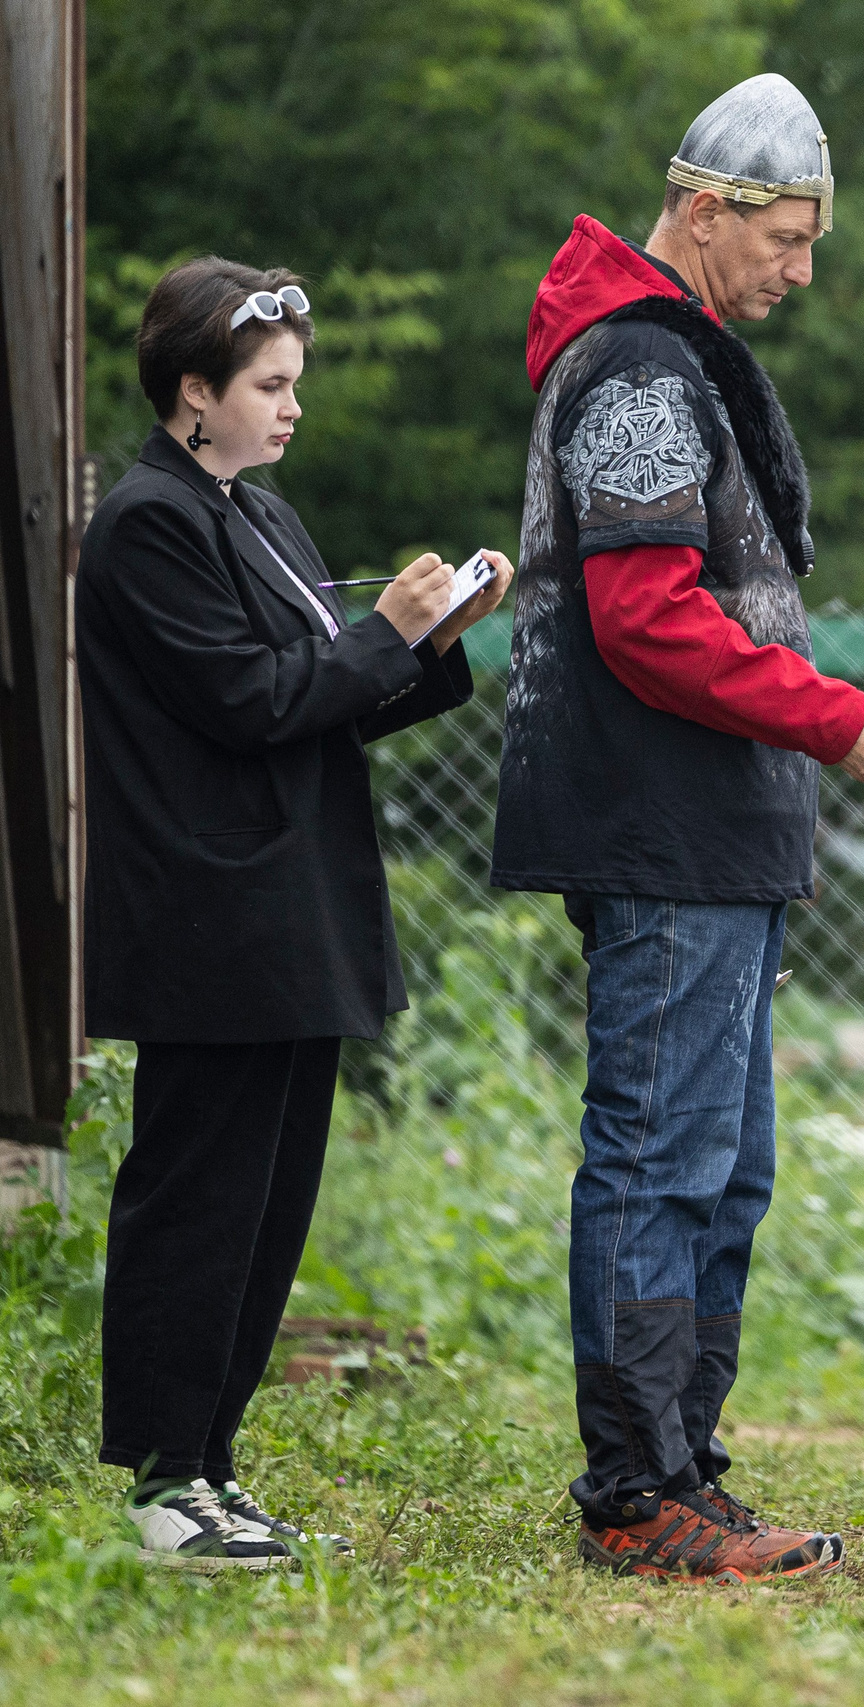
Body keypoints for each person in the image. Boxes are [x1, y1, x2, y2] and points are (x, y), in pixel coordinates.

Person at [493, 71, 864, 1582]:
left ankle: (686, 1465)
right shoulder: (635, 369)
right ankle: (634, 1491)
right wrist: (834, 714)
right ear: (702, 210)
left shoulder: (686, 359)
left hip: (718, 832)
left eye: (811, 241)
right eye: (786, 238)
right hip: (659, 824)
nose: (801, 271)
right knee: (661, 1157)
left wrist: (834, 712)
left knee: (723, 1165)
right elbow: (649, 623)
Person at [80, 257, 511, 1568]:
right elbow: (254, 701)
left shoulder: (259, 517)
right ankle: (161, 1481)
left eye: (295, 385)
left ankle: (210, 1465)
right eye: (269, 386)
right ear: (192, 393)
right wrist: (379, 631)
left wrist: (433, 636)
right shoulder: (148, 525)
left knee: (269, 1206)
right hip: (210, 919)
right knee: (198, 1198)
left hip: (293, 909)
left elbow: (329, 685)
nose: (290, 408)